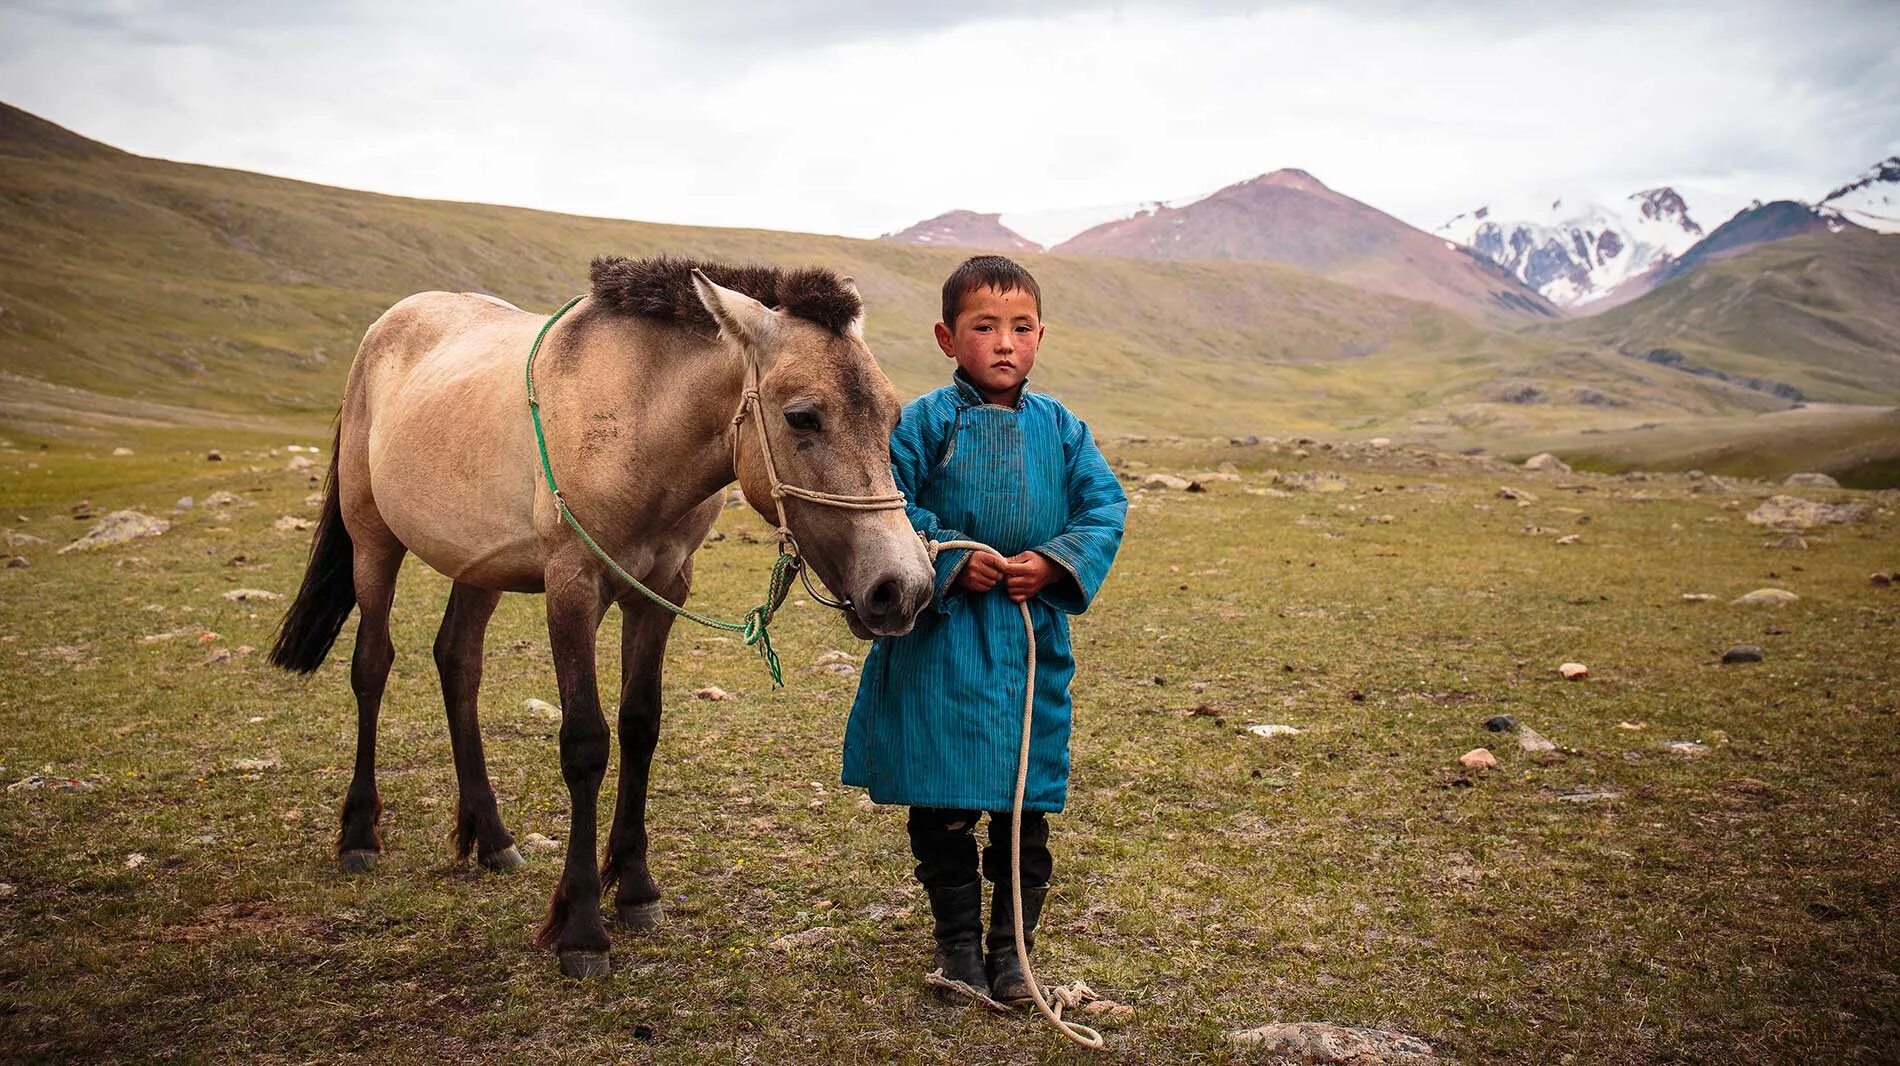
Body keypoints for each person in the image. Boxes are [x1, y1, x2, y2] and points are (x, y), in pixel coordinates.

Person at [841, 254, 1128, 1004]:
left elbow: (1104, 508)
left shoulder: (1062, 429)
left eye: (1022, 327)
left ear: (1041, 336)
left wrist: (1056, 562)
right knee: (941, 807)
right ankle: (959, 952)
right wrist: (949, 557)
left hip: (1030, 644)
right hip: (940, 644)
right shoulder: (922, 424)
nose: (1005, 342)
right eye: (985, 326)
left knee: (1023, 810)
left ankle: (1013, 957)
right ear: (947, 337)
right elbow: (888, 505)